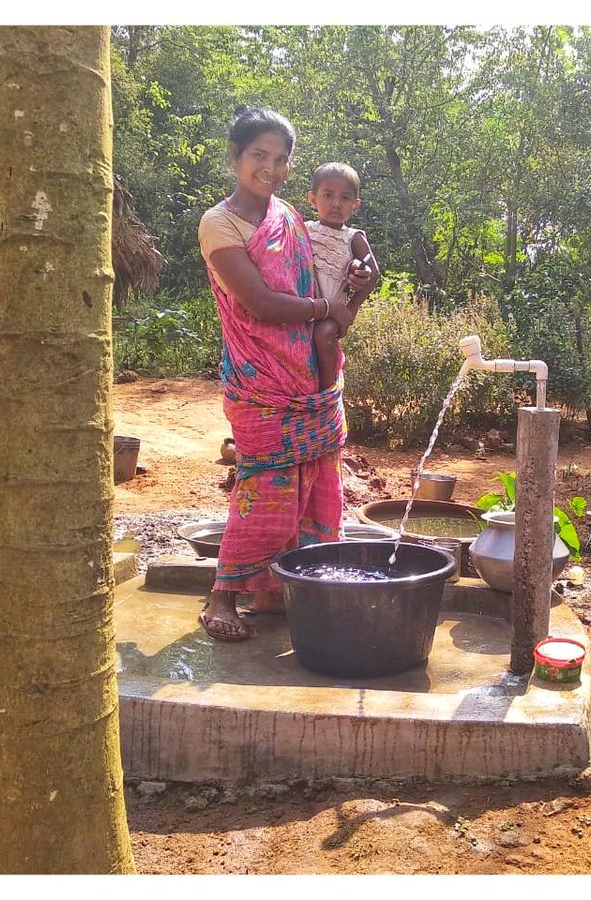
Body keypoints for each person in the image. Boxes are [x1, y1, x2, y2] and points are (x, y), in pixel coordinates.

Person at [196, 105, 372, 641]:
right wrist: (328, 314)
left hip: (313, 380)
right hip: (260, 383)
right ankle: (221, 597)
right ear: (236, 157)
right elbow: (260, 304)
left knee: (316, 482)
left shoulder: (293, 218)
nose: (269, 168)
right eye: (259, 156)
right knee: (265, 484)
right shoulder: (218, 222)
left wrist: (357, 288)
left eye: (280, 159)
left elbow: (332, 293)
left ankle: (281, 591)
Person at [304, 162, 380, 389]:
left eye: (345, 198)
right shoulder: (303, 229)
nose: (336, 203)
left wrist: (350, 310)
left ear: (355, 205)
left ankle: (327, 391)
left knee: (325, 333)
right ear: (313, 198)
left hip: (331, 315)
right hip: (303, 306)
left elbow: (373, 273)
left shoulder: (353, 237)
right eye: (328, 195)